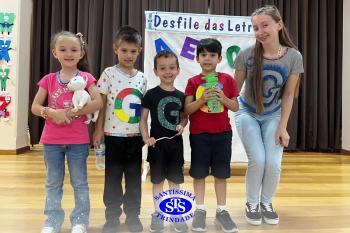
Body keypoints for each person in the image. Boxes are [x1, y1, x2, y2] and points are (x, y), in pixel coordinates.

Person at [233, 5, 304, 226]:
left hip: (274, 115)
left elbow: (290, 94)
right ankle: (251, 203)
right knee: (259, 160)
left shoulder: (293, 57)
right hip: (247, 113)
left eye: (265, 25)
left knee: (273, 163)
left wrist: (283, 126)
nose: (260, 31)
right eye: (255, 27)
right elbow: (234, 92)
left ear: (279, 24)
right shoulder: (246, 55)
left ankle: (266, 203)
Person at [31, 31, 102, 233]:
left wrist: (71, 112)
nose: (68, 53)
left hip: (78, 141)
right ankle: (52, 220)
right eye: (63, 49)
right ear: (55, 53)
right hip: (51, 141)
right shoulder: (48, 80)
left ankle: (80, 221)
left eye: (73, 49)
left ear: (81, 53)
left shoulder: (87, 78)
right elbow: (35, 107)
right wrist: (52, 112)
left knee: (79, 182)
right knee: (53, 183)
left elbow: (98, 102)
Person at [93, 26, 147, 233]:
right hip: (113, 136)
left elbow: (143, 110)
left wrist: (145, 133)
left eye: (133, 51)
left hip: (135, 137)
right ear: (116, 49)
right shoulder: (108, 74)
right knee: (113, 177)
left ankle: (133, 215)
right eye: (124, 50)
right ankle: (112, 216)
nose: (128, 55)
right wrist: (98, 131)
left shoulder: (142, 78)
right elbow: (102, 104)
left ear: (139, 51)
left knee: (134, 178)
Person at [184, 38, 239, 233]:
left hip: (223, 134)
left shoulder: (227, 80)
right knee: (199, 174)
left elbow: (235, 106)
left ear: (219, 58)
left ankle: (222, 210)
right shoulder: (192, 82)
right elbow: (187, 110)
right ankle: (199, 209)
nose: (208, 59)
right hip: (199, 135)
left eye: (212, 55)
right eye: (204, 55)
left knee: (221, 174)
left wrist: (222, 98)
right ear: (197, 58)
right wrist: (202, 99)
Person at [140, 50, 188, 233]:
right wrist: (146, 137)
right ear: (156, 71)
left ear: (178, 70)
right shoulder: (150, 95)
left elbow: (185, 117)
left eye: (171, 68)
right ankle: (158, 214)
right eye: (163, 68)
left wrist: (182, 125)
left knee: (175, 182)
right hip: (157, 146)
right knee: (158, 182)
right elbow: (143, 120)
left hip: (175, 147)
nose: (167, 72)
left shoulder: (182, 96)